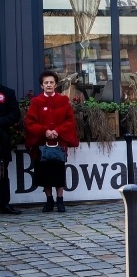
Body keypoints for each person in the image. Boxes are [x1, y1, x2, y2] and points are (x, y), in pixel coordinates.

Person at [24, 71, 79, 212]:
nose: (49, 85)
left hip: (58, 144)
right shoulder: (36, 102)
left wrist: (58, 131)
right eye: (46, 83)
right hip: (42, 144)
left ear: (55, 85)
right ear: (42, 85)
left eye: (51, 82)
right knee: (44, 173)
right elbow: (30, 122)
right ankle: (49, 201)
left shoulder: (63, 101)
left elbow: (70, 121)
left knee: (58, 172)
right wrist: (45, 131)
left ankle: (60, 200)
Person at [0, 84, 22, 214]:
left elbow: (15, 114)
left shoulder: (7, 92)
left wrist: (1, 121)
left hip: (1, 141)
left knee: (2, 174)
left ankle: (3, 204)